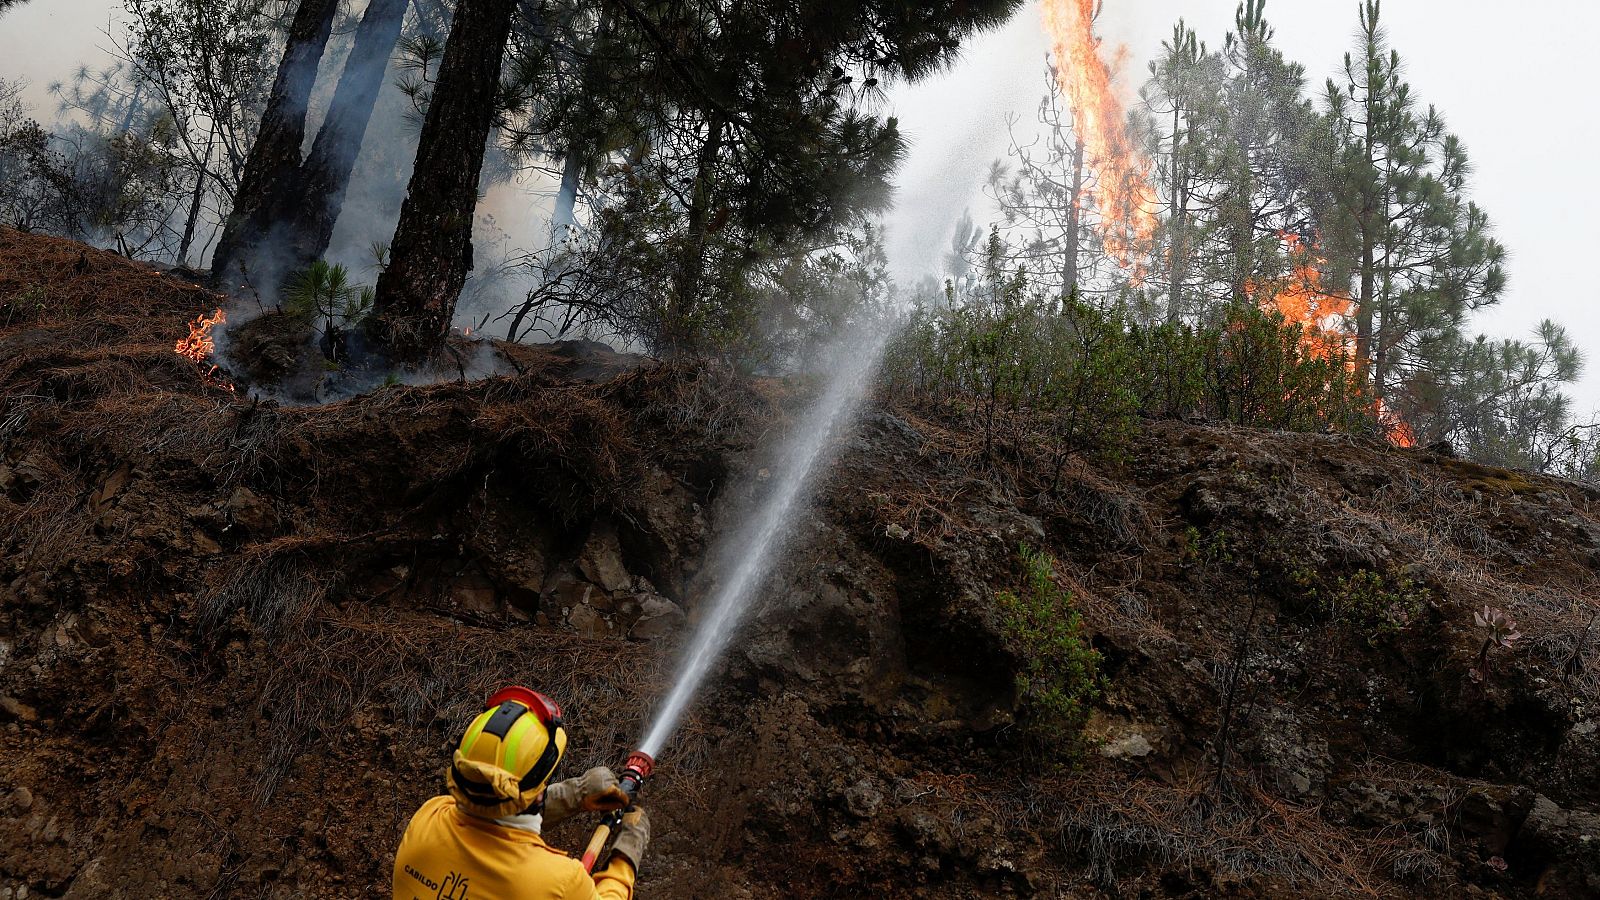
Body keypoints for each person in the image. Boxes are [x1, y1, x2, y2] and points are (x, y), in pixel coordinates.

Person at [393, 686, 650, 900]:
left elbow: (491, 814)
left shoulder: (427, 818)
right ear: (537, 791)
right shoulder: (559, 881)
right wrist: (626, 852)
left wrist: (576, 795)